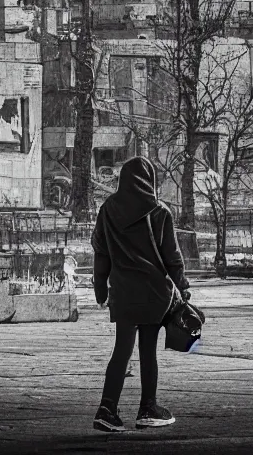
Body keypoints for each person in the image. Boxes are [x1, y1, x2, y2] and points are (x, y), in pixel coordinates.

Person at [91, 156, 190, 432]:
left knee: (121, 351)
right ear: (151, 181)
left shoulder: (108, 210)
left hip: (122, 293)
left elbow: (102, 253)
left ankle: (106, 408)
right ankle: (148, 407)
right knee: (148, 351)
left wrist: (100, 290)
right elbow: (172, 256)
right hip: (153, 293)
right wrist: (183, 286)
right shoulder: (160, 212)